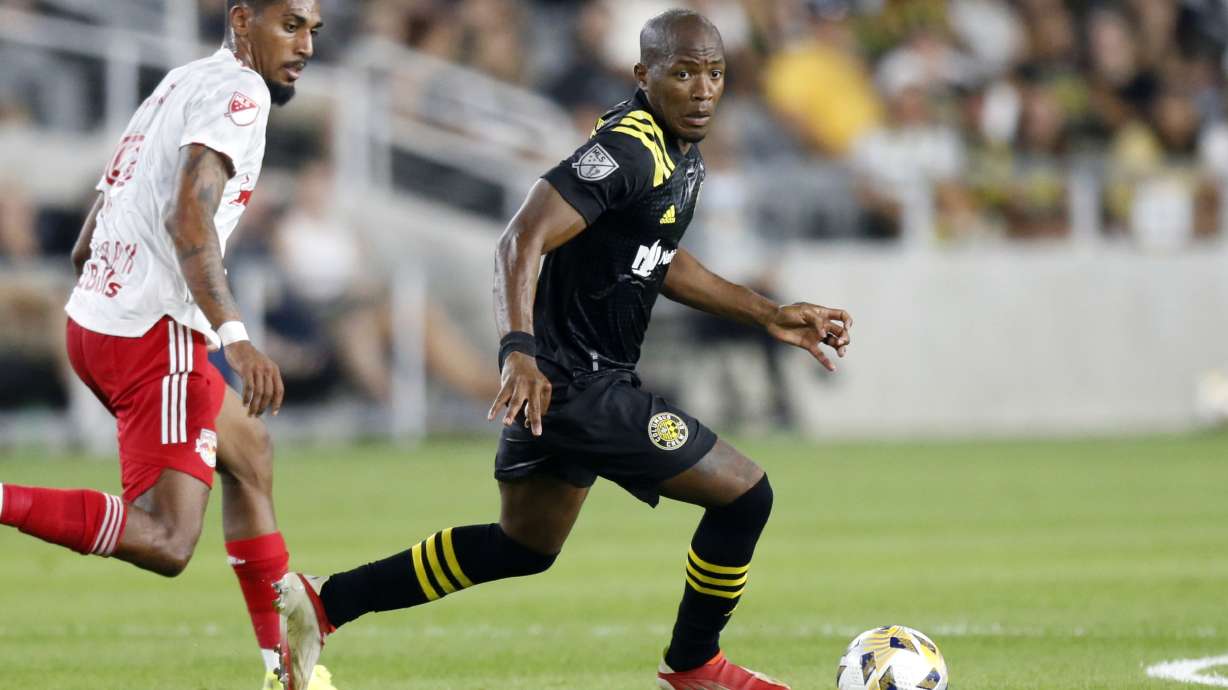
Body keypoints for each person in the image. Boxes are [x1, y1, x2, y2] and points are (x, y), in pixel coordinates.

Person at [275, 10, 852, 690]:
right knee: (746, 496)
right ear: (645, 75)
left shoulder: (681, 153)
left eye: (715, 75)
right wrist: (518, 351)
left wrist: (767, 312)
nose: (702, 90)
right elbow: (519, 240)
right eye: (684, 73)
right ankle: (695, 663)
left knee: (522, 546)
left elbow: (659, 257)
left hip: (567, 385)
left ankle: (324, 602)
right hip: (579, 385)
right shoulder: (627, 149)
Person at [0, 2, 336, 689]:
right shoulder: (240, 95)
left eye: (313, 30)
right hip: (155, 337)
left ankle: (287, 671)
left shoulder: (180, 81)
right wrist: (236, 339)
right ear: (242, 20)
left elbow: (89, 233)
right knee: (167, 540)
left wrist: (114, 294)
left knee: (249, 454)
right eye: (290, 25)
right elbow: (188, 213)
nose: (305, 44)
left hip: (96, 321)